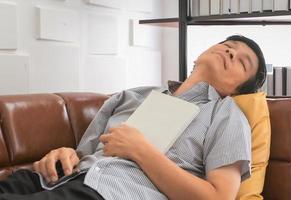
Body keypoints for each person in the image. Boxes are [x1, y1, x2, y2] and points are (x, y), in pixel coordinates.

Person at [0, 35, 266, 200]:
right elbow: (82, 155)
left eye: (242, 62)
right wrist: (62, 154)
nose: (231, 53)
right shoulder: (131, 96)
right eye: (228, 46)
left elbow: (219, 197)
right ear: (200, 55)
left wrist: (141, 151)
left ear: (237, 90)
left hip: (111, 194)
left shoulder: (227, 116)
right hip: (52, 181)